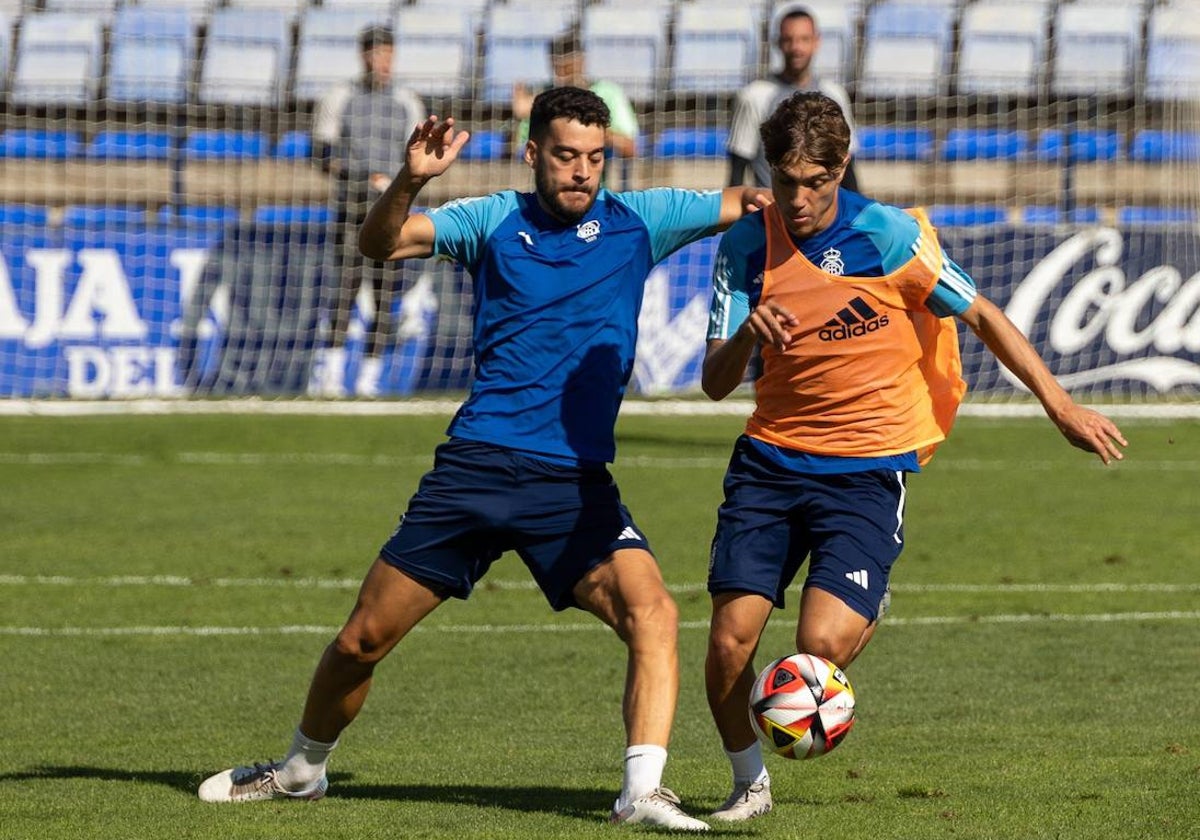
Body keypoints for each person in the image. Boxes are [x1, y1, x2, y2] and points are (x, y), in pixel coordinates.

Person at [198, 86, 770, 831]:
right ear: (533, 153)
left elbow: (751, 201)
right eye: (567, 156)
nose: (583, 173)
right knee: (361, 640)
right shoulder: (490, 219)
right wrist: (409, 181)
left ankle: (641, 792)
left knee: (653, 612)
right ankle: (302, 769)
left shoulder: (642, 220)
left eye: (595, 158)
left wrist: (840, 217)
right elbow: (380, 244)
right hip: (475, 471)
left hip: (573, 485)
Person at [700, 91, 1127, 823]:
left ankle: (864, 603)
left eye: (815, 183)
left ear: (842, 170)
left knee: (815, 649)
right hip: (770, 463)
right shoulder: (746, 246)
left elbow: (984, 314)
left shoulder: (890, 237)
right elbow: (713, 383)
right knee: (729, 647)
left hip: (866, 468)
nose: (798, 199)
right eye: (785, 181)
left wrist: (1060, 405)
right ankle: (750, 786)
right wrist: (748, 337)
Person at [310, 24, 427, 398]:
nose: (382, 61)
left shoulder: (408, 101)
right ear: (363, 56)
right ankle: (330, 373)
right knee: (344, 288)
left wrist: (395, 184)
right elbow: (321, 153)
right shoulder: (339, 97)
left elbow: (418, 157)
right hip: (352, 203)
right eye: (375, 53)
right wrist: (359, 174)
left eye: (388, 54)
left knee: (385, 292)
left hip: (392, 208)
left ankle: (369, 376)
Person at [727, 4, 860, 192]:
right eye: (789, 40)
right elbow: (737, 169)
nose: (796, 47)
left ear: (816, 41)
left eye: (804, 39)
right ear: (778, 43)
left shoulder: (835, 95)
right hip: (774, 214)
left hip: (821, 216)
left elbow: (848, 167)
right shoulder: (754, 96)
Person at [512, 30, 639, 185]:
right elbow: (520, 151)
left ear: (581, 62)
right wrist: (519, 118)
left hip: (596, 191)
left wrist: (584, 131)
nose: (562, 75)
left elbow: (629, 148)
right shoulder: (542, 97)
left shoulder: (609, 93)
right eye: (557, 69)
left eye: (568, 68)